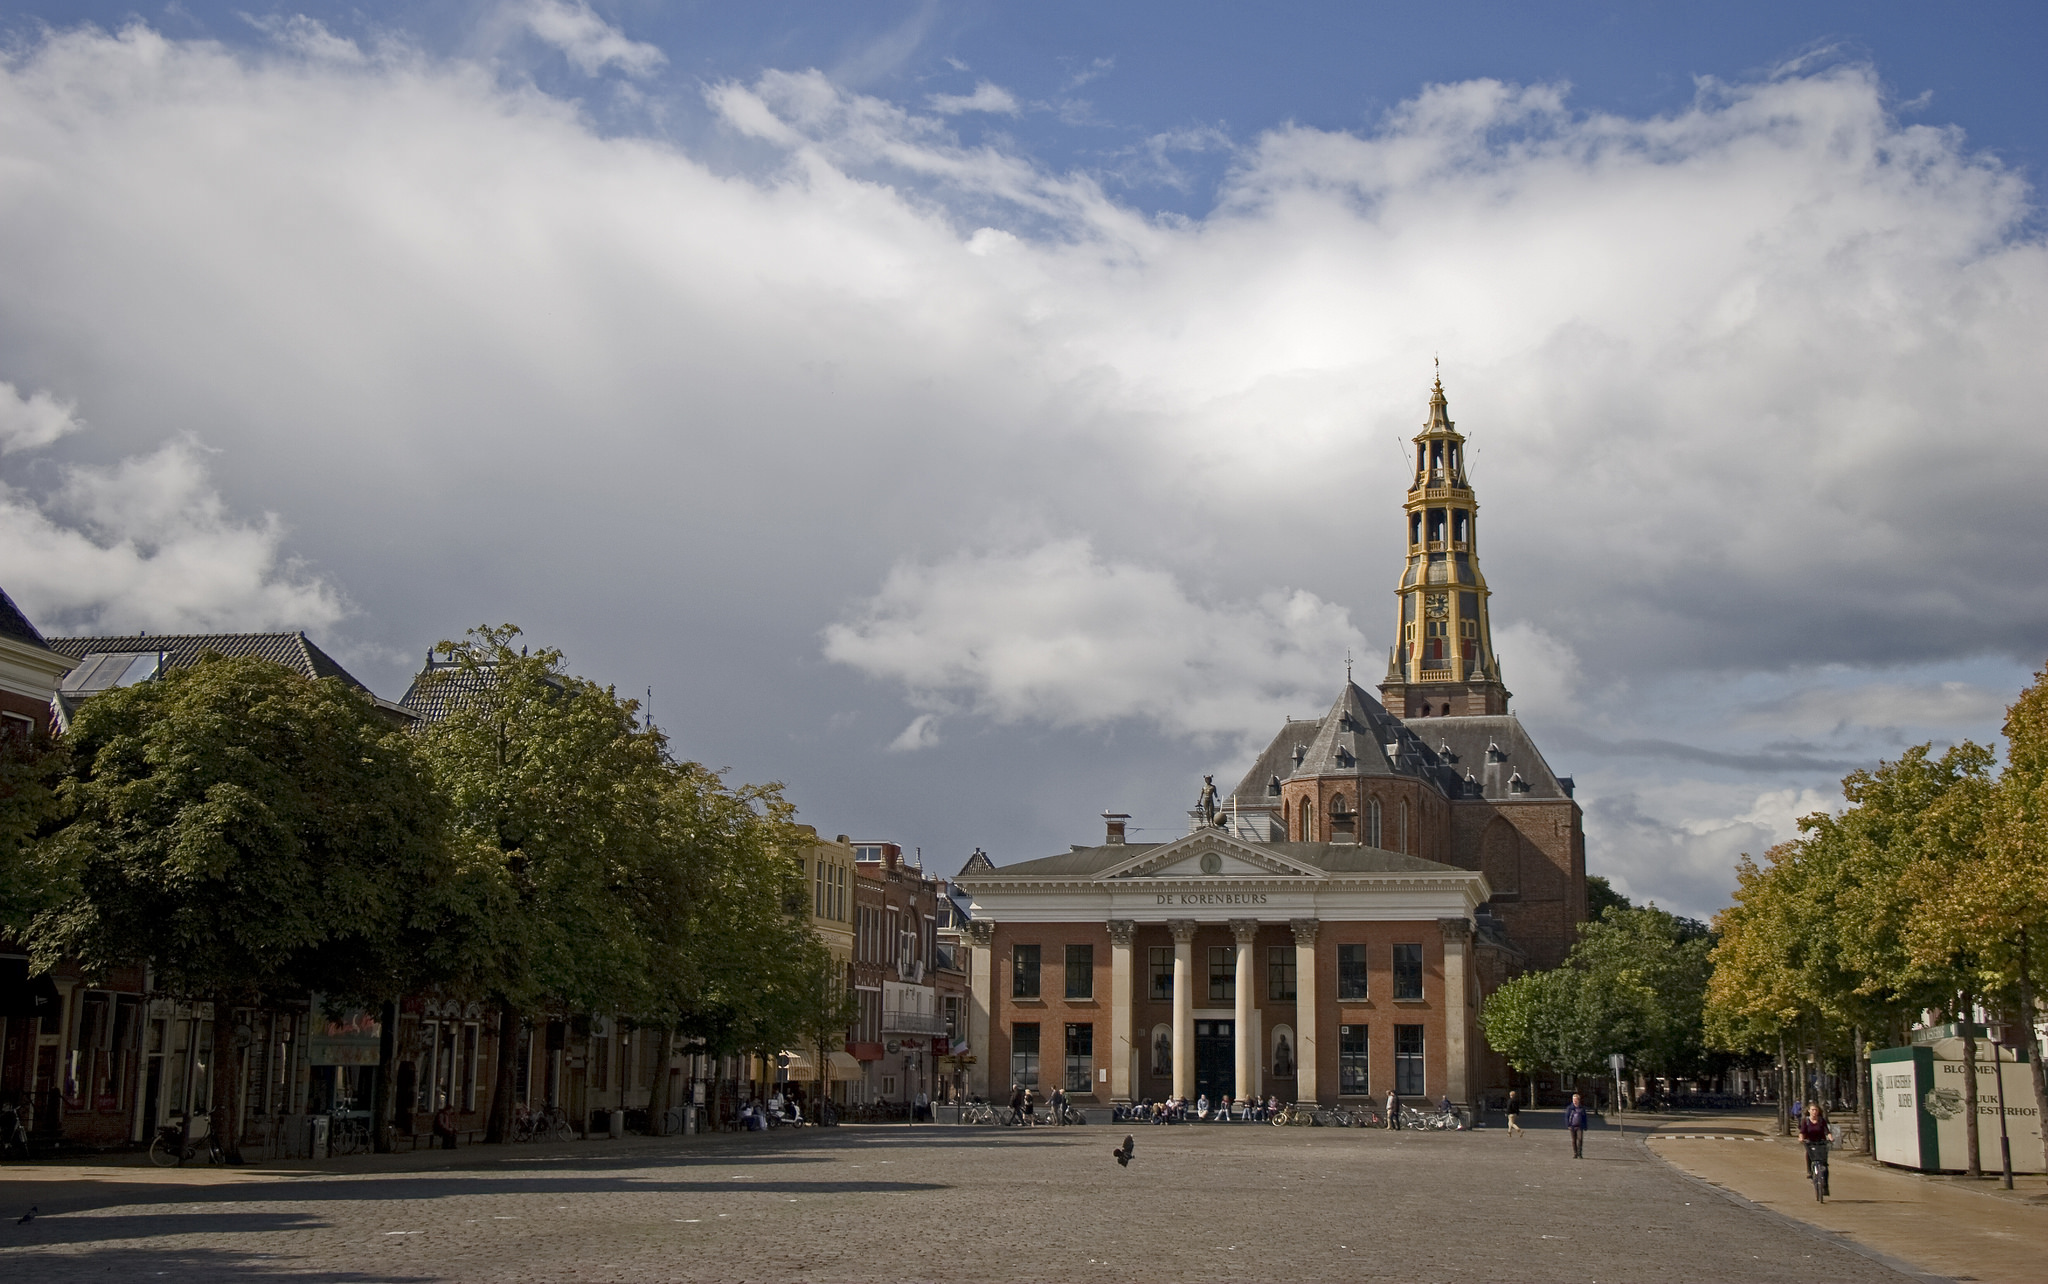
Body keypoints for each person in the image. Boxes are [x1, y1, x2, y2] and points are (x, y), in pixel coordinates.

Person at [1799, 1102, 1831, 1198]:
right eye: (1812, 1110)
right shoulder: (1806, 1121)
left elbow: (1827, 1131)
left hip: (1821, 1142)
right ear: (1809, 1111)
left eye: (1816, 1110)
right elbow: (1802, 1132)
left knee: (1824, 1165)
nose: (1814, 1112)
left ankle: (1825, 1184)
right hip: (1810, 1142)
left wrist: (1830, 1137)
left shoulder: (1821, 1120)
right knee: (1809, 1153)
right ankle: (1809, 1171)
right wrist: (1801, 1138)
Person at [1564, 1091, 1590, 1158]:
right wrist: (1568, 1125)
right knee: (1574, 1140)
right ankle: (1575, 1153)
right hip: (1572, 1126)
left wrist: (1585, 1126)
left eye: (1576, 1100)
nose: (1574, 1101)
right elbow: (1567, 1117)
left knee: (1580, 1139)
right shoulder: (1570, 1108)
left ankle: (1580, 1153)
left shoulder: (1582, 1108)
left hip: (1579, 1126)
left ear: (1578, 1100)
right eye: (1573, 1100)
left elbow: (1584, 1117)